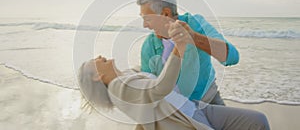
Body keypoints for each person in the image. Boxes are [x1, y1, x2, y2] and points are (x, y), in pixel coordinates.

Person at [77, 22, 270, 130]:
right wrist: (180, 47)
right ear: (97, 76)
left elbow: (144, 113)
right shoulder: (119, 88)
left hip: (197, 108)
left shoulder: (128, 75)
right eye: (95, 60)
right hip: (187, 121)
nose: (99, 56)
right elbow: (160, 88)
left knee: (258, 122)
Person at [138, 0, 240, 105]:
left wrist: (194, 38)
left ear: (165, 13)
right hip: (174, 108)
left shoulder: (196, 23)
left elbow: (232, 58)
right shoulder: (149, 45)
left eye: (147, 19)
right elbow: (149, 87)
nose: (145, 25)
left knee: (255, 122)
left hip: (206, 98)